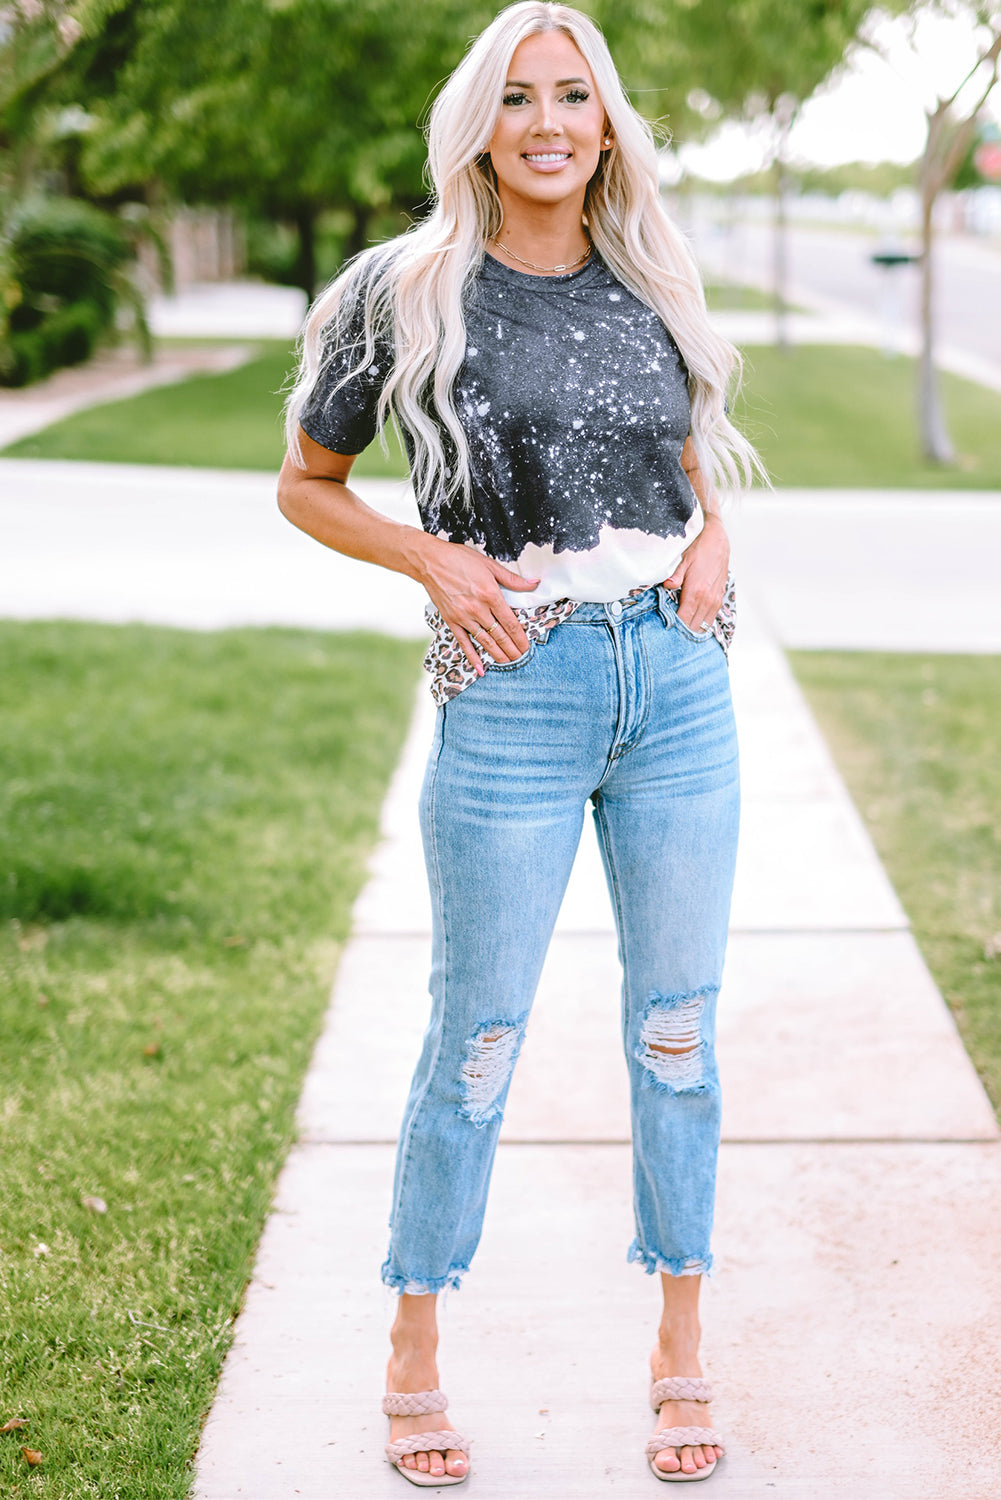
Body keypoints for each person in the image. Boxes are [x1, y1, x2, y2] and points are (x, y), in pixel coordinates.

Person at [278, 1, 762, 1485]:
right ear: (478, 123)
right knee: (477, 1041)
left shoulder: (647, 273)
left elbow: (681, 451)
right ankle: (414, 1343)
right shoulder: (404, 290)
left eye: (574, 97)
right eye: (518, 98)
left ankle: (680, 1342)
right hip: (516, 692)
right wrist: (433, 562)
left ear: (605, 121)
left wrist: (714, 540)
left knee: (674, 1036)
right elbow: (308, 482)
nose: (549, 123)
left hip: (675, 688)